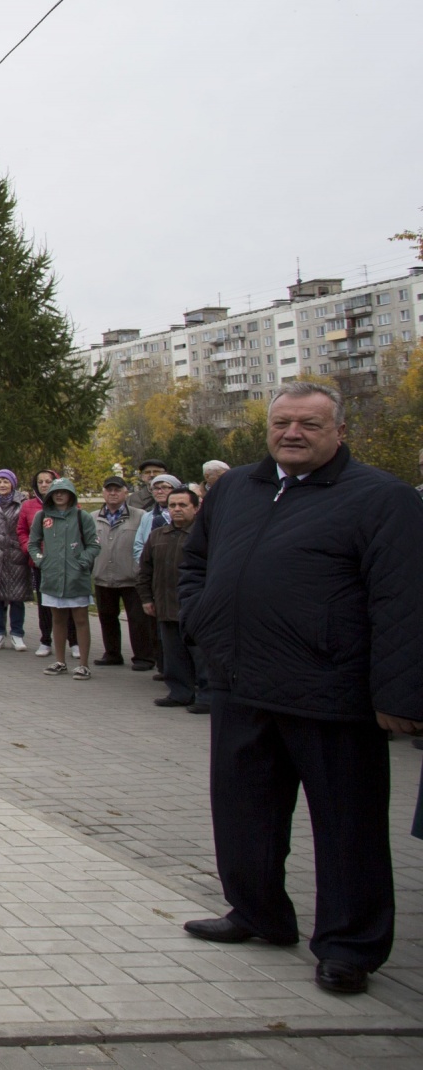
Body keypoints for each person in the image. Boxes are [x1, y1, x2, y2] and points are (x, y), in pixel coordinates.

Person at [177, 382, 423, 995]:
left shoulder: (381, 499)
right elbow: (196, 562)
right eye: (282, 422)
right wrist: (204, 622)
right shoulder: (237, 487)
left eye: (309, 424)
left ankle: (349, 945)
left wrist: (400, 696)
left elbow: (406, 603)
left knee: (348, 827)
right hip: (241, 686)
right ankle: (257, 912)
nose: (293, 433)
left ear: (339, 430)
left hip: (331, 692)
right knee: (243, 813)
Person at [137, 486, 206, 713]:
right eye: (172, 505)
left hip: (197, 609)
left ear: (196, 508)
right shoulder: (158, 536)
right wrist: (147, 598)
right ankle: (179, 692)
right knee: (173, 654)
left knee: (202, 655)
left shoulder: (207, 536)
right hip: (165, 606)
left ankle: (207, 696)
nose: (177, 509)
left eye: (183, 505)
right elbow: (145, 570)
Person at [28, 479, 99, 681]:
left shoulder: (81, 516)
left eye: (63, 492)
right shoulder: (42, 516)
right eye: (55, 492)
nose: (59, 495)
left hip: (77, 578)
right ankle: (60, 661)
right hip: (52, 577)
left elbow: (94, 544)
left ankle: (83, 664)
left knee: (81, 620)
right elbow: (33, 543)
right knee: (57, 619)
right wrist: (41, 561)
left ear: (71, 494)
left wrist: (82, 562)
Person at [91, 478, 151, 670]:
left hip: (131, 577)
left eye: (118, 490)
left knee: (138, 620)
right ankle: (112, 653)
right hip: (103, 576)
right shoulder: (92, 517)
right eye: (109, 490)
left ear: (126, 493)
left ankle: (144, 657)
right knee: (107, 617)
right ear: (103, 493)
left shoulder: (140, 516)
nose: (113, 493)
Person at [0, 470, 32, 652]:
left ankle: (17, 634)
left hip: (15, 554)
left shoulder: (22, 503)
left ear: (13, 483)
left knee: (16, 597)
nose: (2, 485)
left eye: (6, 481)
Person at [16, 470, 59, 654]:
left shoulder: (68, 504)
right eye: (40, 481)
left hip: (62, 562)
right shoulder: (29, 506)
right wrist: (29, 549)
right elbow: (22, 530)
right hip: (40, 561)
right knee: (44, 603)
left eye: (48, 481)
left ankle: (73, 641)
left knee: (67, 603)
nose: (44, 485)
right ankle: (46, 640)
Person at [133, 472, 180, 560]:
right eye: (155, 488)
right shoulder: (147, 517)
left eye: (165, 487)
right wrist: (147, 565)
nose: (159, 491)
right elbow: (138, 546)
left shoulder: (184, 514)